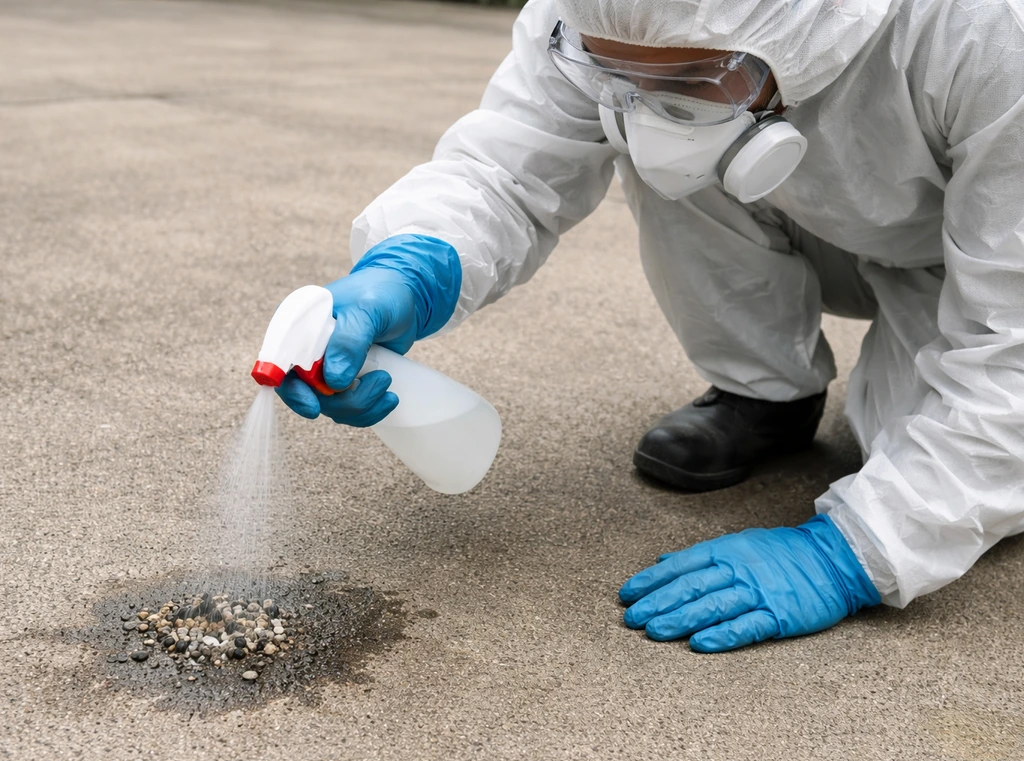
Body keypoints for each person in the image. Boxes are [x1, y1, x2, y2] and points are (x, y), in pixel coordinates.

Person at [276, 0, 1024, 652]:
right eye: (613, 73)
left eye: (691, 80)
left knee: (933, 465)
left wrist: (857, 551)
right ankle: (764, 394)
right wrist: (414, 261)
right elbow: (508, 167)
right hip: (792, 196)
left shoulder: (985, 27)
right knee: (670, 142)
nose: (645, 97)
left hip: (973, 252)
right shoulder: (596, 11)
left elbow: (1012, 354)